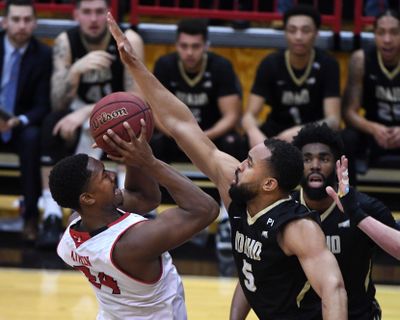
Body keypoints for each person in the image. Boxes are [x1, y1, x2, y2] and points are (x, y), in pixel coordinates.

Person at [108, 13, 348, 319]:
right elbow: (182, 124)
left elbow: (334, 289)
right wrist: (135, 66)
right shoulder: (238, 194)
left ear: (269, 185)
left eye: (248, 164)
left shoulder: (298, 227)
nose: (238, 167)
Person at [54, 120, 219, 319]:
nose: (113, 175)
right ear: (87, 198)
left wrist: (130, 153)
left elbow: (145, 199)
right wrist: (149, 162)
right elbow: (205, 209)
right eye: (104, 176)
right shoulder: (133, 242)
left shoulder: (71, 234)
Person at [37, 0, 145, 248]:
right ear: (76, 15)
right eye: (87, 12)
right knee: (50, 124)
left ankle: (132, 207)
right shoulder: (66, 41)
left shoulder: (128, 38)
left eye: (99, 12)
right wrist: (75, 71)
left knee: (133, 126)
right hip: (77, 111)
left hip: (120, 112)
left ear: (109, 14)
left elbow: (136, 98)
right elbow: (57, 101)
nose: (94, 19)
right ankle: (51, 213)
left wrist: (90, 111)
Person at [291, 123, 400, 319]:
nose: (315, 165)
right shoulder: (284, 208)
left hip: (357, 315)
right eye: (307, 159)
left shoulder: (365, 207)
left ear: (337, 164)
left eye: (324, 158)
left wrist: (358, 216)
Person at [241, 4, 340, 148]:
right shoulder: (270, 63)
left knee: (345, 140)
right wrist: (254, 133)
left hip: (314, 132)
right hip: (277, 130)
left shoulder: (328, 64)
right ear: (285, 32)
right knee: (243, 142)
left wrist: (302, 131)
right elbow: (249, 116)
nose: (298, 37)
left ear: (316, 33)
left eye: (305, 30)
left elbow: (333, 120)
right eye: (292, 30)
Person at [151, 18, 242, 163]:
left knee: (233, 142)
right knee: (155, 143)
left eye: (196, 46)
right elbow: (155, 112)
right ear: (176, 45)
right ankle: (157, 186)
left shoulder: (222, 66)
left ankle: (228, 186)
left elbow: (231, 115)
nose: (189, 52)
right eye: (184, 46)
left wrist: (202, 138)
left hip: (211, 135)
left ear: (206, 46)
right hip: (175, 135)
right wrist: (179, 137)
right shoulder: (164, 65)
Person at [0, 0, 52, 242]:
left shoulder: (43, 55)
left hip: (20, 124)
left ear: (34, 23)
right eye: (16, 19)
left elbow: (43, 105)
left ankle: (31, 216)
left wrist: (17, 121)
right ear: (4, 22)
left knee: (32, 138)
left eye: (27, 20)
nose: (21, 25)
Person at [342, 9, 400, 181]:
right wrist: (374, 129)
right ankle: (348, 200)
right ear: (374, 34)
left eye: (394, 33)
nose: (387, 39)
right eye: (381, 32)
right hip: (373, 132)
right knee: (346, 138)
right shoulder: (361, 60)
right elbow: (348, 112)